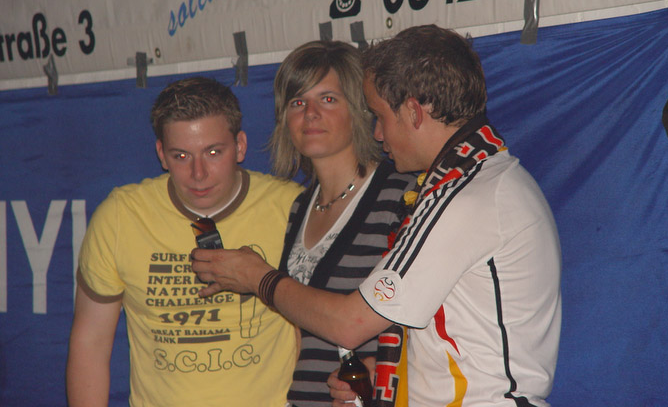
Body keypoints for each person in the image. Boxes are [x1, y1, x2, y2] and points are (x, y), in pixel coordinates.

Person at [191, 25, 562, 406]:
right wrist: (383, 371)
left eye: (380, 116)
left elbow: (350, 324)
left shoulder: (466, 195)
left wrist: (258, 277)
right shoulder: (477, 179)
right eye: (297, 103)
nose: (379, 134)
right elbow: (447, 331)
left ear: (413, 112)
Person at [66, 77, 303, 407]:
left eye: (213, 152)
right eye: (181, 156)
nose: (198, 173)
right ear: (161, 155)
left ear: (240, 146)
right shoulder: (121, 216)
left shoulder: (291, 207)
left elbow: (315, 330)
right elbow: (90, 342)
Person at [271, 40, 415, 406]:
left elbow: (427, 318)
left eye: (328, 99)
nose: (310, 114)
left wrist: (380, 369)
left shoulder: (400, 195)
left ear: (359, 108)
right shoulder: (299, 207)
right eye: (297, 102)